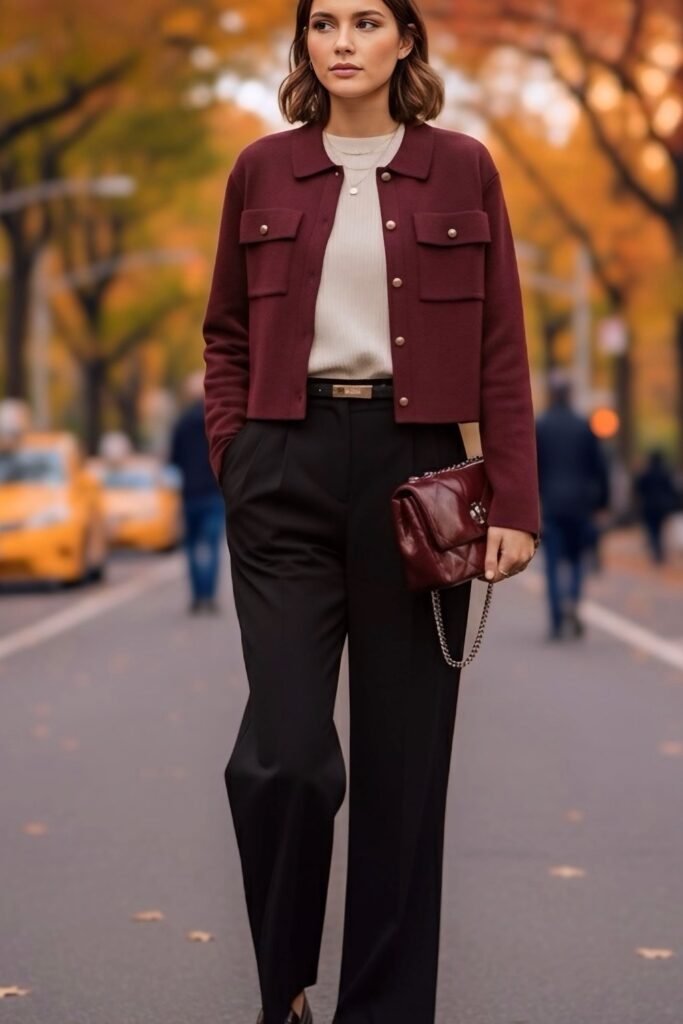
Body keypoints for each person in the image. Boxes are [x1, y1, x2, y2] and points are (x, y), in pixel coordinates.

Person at [202, 2, 540, 1021]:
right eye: (320, 23)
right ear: (303, 45)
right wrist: (235, 451)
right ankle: (285, 984)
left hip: (416, 479)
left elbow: (501, 348)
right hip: (282, 468)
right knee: (283, 756)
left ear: (403, 42)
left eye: (364, 20)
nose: (340, 40)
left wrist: (510, 500)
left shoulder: (462, 167)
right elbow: (222, 330)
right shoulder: (260, 169)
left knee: (402, 771)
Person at [535, 370, 610, 640]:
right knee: (578, 559)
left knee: (553, 564)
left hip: (551, 504)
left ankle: (556, 619)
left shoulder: (541, 426)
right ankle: (573, 602)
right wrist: (603, 503)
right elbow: (600, 468)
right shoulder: (583, 425)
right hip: (581, 504)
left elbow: (533, 469)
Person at [169, 370, 225, 613]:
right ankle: (209, 596)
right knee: (212, 545)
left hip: (189, 493)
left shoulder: (180, 423)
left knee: (192, 546)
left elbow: (173, 459)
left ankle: (196, 596)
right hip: (213, 491)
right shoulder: (215, 419)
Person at [632, 448, 681, 563]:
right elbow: (672, 489)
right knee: (659, 529)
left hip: (649, 506)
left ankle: (656, 550)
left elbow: (638, 487)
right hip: (662, 506)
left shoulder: (646, 473)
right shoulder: (666, 473)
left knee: (652, 529)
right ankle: (658, 550)